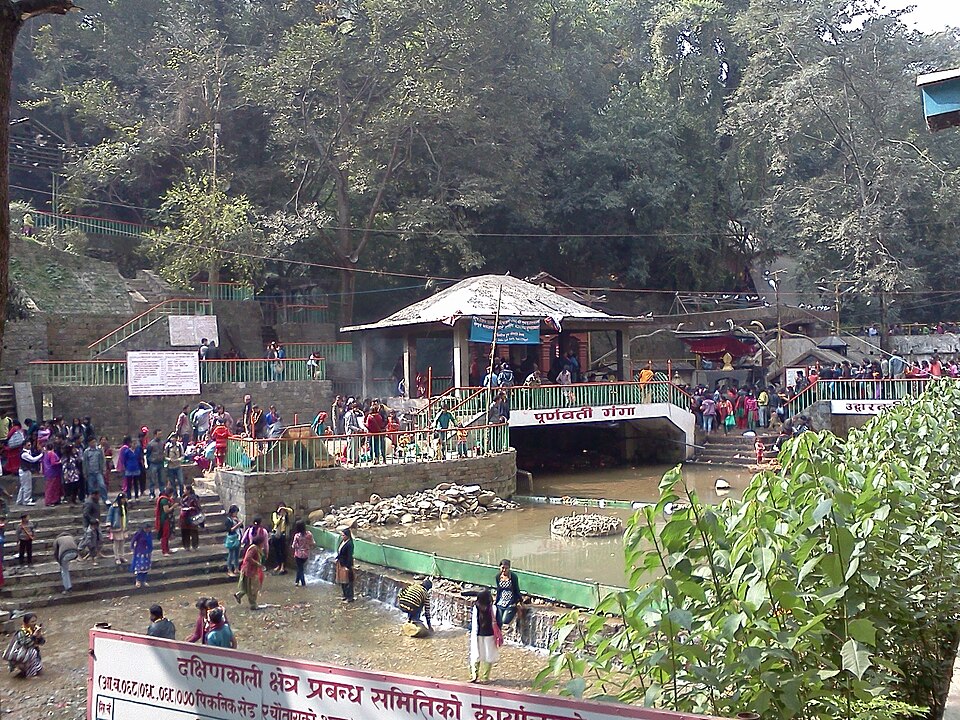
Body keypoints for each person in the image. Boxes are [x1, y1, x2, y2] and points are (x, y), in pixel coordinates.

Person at [469, 589, 503, 683]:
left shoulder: (476, 607)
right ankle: (485, 678)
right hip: (490, 636)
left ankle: (474, 675)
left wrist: (469, 631)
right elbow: (499, 622)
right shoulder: (494, 608)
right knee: (488, 656)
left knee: (476, 655)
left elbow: (472, 623)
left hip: (477, 635)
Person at [3, 613, 44, 678]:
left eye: (35, 621)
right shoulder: (21, 632)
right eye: (32, 621)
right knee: (33, 652)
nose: (34, 623)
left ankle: (26, 669)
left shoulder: (34, 629)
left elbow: (42, 643)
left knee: (39, 669)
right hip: (19, 655)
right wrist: (33, 636)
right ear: (26, 623)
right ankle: (30, 675)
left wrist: (39, 637)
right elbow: (25, 644)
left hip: (28, 655)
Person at [234, 537, 265, 609]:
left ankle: (239, 595)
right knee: (252, 588)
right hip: (249, 571)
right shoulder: (254, 548)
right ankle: (253, 604)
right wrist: (257, 563)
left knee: (247, 586)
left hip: (249, 570)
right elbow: (248, 557)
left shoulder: (256, 548)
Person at [494, 559, 523, 628]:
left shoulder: (513, 577)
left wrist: (519, 601)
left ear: (509, 568)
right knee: (499, 621)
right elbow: (499, 590)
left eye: (506, 568)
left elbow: (516, 589)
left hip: (510, 601)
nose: (504, 570)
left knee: (505, 620)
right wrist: (495, 601)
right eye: (502, 568)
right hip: (501, 601)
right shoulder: (498, 577)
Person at [82, 438, 109, 503]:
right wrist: (85, 472)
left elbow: (103, 460)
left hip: (98, 472)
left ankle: (105, 499)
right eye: (92, 442)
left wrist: (103, 469)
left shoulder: (99, 450)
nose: (93, 443)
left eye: (94, 442)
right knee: (91, 487)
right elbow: (85, 463)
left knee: (102, 485)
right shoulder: (86, 452)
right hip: (90, 472)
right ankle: (92, 500)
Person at [270, 504, 293, 574]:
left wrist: (284, 509)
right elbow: (276, 522)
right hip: (276, 534)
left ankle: (282, 566)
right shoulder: (275, 514)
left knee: (283, 551)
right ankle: (278, 565)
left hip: (283, 535)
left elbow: (291, 511)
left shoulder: (286, 515)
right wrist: (280, 517)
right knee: (277, 551)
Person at [17, 442, 42, 507]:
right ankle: (26, 500)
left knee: (23, 486)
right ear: (24, 445)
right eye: (28, 445)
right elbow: (33, 460)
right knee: (27, 486)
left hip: (24, 470)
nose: (30, 446)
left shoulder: (27, 452)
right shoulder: (24, 454)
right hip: (25, 471)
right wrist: (41, 454)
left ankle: (19, 500)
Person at [155, 485, 178, 555]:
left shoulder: (167, 499)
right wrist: (173, 506)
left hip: (168, 519)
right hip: (165, 519)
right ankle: (164, 551)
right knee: (164, 535)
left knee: (167, 535)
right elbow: (166, 510)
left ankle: (167, 549)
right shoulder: (164, 500)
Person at [291, 520, 315, 587]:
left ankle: (303, 583)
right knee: (300, 568)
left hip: (298, 554)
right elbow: (313, 543)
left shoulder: (297, 536)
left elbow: (293, 546)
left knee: (300, 569)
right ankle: (296, 581)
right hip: (306, 554)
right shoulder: (309, 534)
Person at [106, 494, 128, 565]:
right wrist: (108, 525)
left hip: (123, 526)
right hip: (116, 527)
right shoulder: (114, 507)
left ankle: (122, 556)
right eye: (123, 499)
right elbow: (109, 515)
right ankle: (117, 557)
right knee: (116, 543)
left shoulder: (124, 506)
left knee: (122, 543)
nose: (124, 500)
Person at [179, 486, 203, 551]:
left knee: (194, 531)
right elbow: (181, 504)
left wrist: (192, 508)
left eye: (185, 489)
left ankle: (195, 546)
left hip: (192, 516)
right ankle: (186, 546)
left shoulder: (194, 498)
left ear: (189, 490)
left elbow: (198, 507)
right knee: (185, 531)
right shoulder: (183, 497)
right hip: (184, 516)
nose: (184, 490)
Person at [130, 524, 153, 588]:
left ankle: (144, 580)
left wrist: (150, 550)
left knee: (146, 567)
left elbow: (150, 542)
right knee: (140, 566)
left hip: (147, 552)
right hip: (140, 552)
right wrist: (132, 548)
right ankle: (138, 580)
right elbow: (133, 540)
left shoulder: (149, 534)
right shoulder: (139, 533)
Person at [336, 526, 355, 602]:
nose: (342, 536)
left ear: (347, 536)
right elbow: (340, 552)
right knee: (342, 581)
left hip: (346, 564)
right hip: (341, 563)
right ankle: (345, 595)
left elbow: (349, 556)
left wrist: (347, 566)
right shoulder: (343, 542)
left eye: (343, 535)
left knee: (348, 581)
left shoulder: (349, 544)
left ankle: (350, 597)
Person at [224, 505, 243, 577]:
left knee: (237, 554)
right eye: (235, 512)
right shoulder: (228, 520)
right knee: (231, 554)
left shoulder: (236, 518)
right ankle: (229, 569)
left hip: (238, 537)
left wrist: (238, 522)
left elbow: (241, 527)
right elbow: (229, 530)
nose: (236, 514)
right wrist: (238, 524)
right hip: (232, 538)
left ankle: (236, 568)